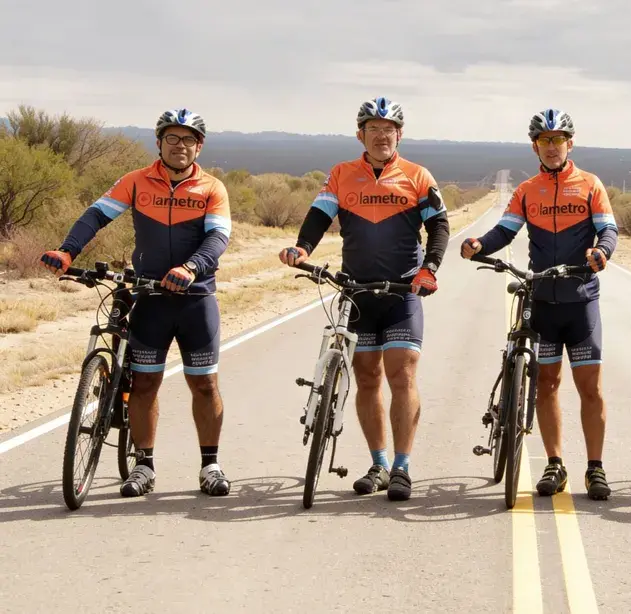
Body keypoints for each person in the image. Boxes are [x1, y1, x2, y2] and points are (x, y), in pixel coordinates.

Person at [41, 108, 233, 498]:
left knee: (205, 385)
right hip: (148, 298)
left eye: (188, 140)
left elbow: (218, 239)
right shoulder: (136, 181)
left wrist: (191, 267)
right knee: (144, 384)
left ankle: (210, 465)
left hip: (195, 299)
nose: (180, 146)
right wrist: (67, 251)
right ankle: (144, 466)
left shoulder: (212, 188)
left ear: (200, 146)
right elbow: (96, 215)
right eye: (172, 138)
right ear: (159, 142)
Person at [279, 96, 448, 502]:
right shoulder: (341, 175)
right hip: (356, 292)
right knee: (368, 377)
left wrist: (430, 269)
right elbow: (319, 216)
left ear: (399, 136)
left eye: (388, 130)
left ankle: (403, 467)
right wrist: (303, 248)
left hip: (402, 291)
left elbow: (439, 225)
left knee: (402, 374)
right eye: (373, 129)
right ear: (361, 135)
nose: (381, 136)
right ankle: (379, 463)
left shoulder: (417, 176)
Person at [460, 108, 618, 500]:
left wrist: (602, 251)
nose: (552, 147)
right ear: (536, 146)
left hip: (580, 300)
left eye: (558, 139)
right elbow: (505, 230)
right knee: (546, 385)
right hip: (543, 300)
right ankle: (554, 463)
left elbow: (608, 229)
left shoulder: (589, 184)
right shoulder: (528, 190)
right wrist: (480, 244)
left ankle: (595, 468)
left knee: (591, 389)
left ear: (570, 142)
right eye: (544, 141)